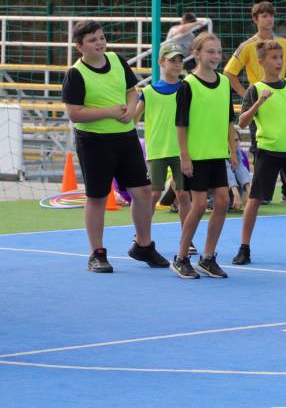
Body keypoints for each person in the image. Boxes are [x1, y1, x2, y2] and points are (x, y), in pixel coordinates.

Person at [61, 20, 169, 272]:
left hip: (126, 138)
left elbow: (132, 91)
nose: (99, 42)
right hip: (94, 142)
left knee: (142, 192)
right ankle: (97, 254)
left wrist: (131, 108)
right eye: (92, 40)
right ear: (80, 46)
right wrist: (110, 111)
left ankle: (143, 246)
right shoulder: (75, 74)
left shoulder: (117, 61)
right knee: (97, 197)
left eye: (101, 37)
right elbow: (74, 114)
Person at [232, 40, 286, 264]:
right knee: (255, 199)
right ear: (261, 62)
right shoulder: (255, 90)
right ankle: (244, 247)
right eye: (274, 58)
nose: (279, 62)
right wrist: (258, 103)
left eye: (281, 58)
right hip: (268, 151)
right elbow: (242, 122)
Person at [171, 32, 238, 279]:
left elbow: (229, 121)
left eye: (219, 52)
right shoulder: (188, 85)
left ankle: (208, 258)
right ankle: (180, 258)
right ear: (197, 53)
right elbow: (181, 125)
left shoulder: (224, 83)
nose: (216, 56)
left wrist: (232, 150)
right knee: (198, 205)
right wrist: (184, 156)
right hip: (196, 156)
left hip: (216, 154)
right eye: (210, 51)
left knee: (223, 201)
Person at [224, 1, 286, 202]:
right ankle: (262, 192)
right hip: (261, 103)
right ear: (255, 19)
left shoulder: (283, 43)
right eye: (264, 15)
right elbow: (229, 72)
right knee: (260, 146)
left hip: (282, 102)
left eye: (270, 15)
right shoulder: (248, 46)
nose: (268, 19)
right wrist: (247, 95)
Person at [134, 42, 193, 250]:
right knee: (153, 194)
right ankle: (142, 236)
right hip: (158, 150)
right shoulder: (148, 92)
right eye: (172, 60)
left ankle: (187, 239)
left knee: (184, 195)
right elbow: (133, 118)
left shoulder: (187, 88)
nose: (177, 64)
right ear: (161, 62)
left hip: (182, 151)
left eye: (179, 60)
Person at [225, 134, 251, 212]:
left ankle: (234, 202)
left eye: (236, 140)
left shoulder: (241, 154)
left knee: (239, 170)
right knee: (225, 171)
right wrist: (236, 194)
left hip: (234, 188)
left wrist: (250, 192)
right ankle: (211, 202)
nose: (234, 143)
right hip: (214, 184)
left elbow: (242, 171)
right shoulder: (218, 153)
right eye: (230, 140)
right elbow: (227, 171)